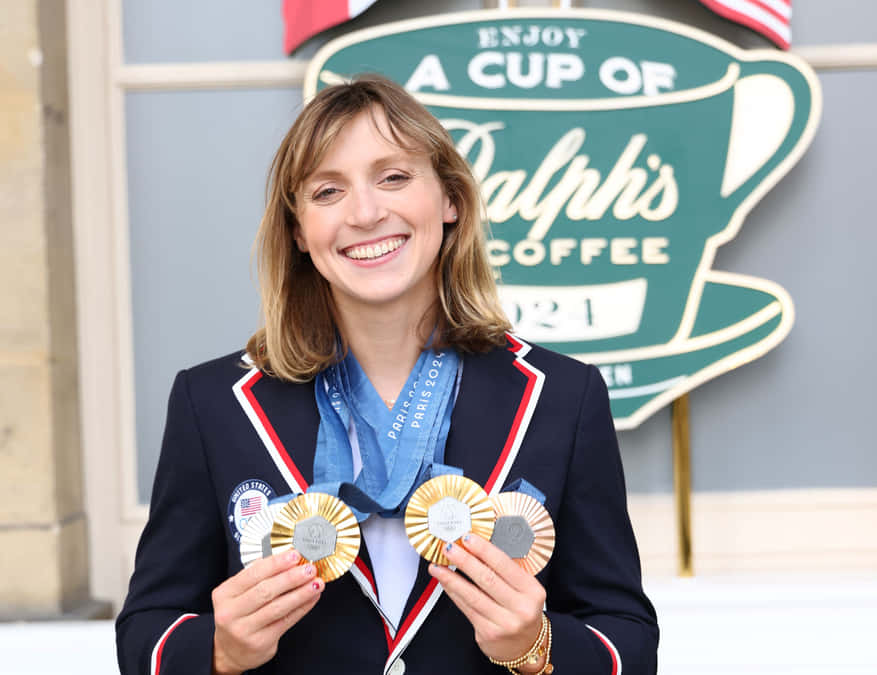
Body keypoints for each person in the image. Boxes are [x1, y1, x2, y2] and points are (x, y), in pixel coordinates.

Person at [116, 74, 658, 675]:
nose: (366, 213)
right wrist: (218, 649)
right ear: (298, 231)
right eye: (327, 192)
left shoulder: (563, 395)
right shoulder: (213, 402)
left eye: (393, 177)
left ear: (451, 200)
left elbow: (629, 640)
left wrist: (537, 646)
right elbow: (146, 630)